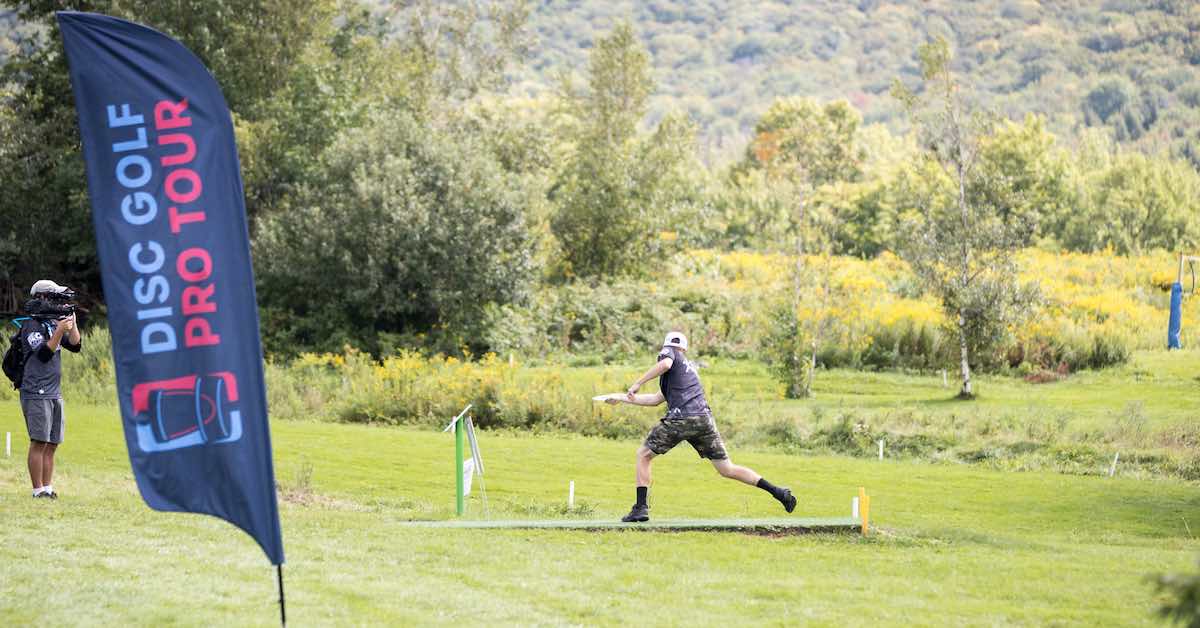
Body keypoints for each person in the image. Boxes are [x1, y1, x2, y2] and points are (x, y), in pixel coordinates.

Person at [607, 331, 796, 522]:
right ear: (685, 348)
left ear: (669, 347)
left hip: (681, 418)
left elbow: (665, 363)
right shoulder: (685, 372)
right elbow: (655, 399)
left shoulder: (670, 354)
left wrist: (637, 383)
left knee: (643, 455)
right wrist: (622, 398)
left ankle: (640, 508)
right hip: (703, 420)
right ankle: (778, 492)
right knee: (726, 469)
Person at [20, 279, 81, 499]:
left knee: (52, 443)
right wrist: (58, 331)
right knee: (39, 441)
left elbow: (75, 346)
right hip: (35, 392)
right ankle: (37, 490)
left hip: (54, 392)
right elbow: (44, 354)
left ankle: (48, 487)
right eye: (53, 297)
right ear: (42, 297)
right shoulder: (31, 325)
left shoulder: (52, 323)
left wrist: (72, 324)